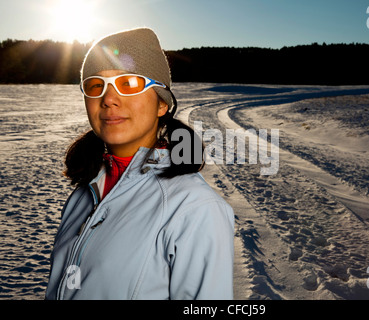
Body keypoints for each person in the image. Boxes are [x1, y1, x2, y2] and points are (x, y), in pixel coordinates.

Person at [45, 28, 234, 300]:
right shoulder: (83, 195)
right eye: (96, 85)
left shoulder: (195, 208)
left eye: (129, 84)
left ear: (161, 104)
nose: (108, 98)